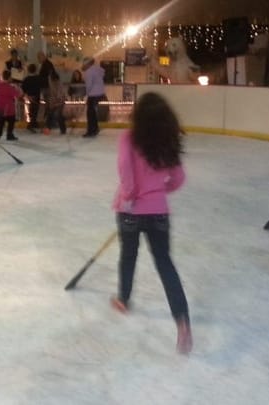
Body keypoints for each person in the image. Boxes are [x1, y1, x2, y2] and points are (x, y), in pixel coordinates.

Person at [111, 91, 192, 355]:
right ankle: (182, 321)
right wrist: (157, 193)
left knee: (128, 256)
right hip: (158, 213)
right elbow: (178, 179)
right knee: (165, 263)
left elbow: (126, 170)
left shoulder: (128, 139)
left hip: (130, 211)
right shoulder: (167, 142)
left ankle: (123, 299)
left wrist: (131, 195)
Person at [0, 69, 22, 142]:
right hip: (9, 108)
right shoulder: (10, 87)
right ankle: (9, 135)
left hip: (0, 107)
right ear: (9, 78)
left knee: (0, 123)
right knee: (11, 122)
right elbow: (18, 95)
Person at [82, 57, 105, 137]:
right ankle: (95, 129)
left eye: (84, 63)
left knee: (90, 113)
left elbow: (89, 85)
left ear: (88, 63)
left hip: (93, 94)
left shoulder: (89, 72)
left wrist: (87, 94)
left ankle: (91, 131)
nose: (83, 65)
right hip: (100, 94)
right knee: (93, 112)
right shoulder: (98, 69)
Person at [21, 63, 41, 132]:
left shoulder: (26, 79)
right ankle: (31, 124)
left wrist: (26, 95)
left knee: (32, 111)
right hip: (36, 96)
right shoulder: (38, 78)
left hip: (29, 97)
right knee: (35, 111)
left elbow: (23, 88)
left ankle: (33, 123)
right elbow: (40, 87)